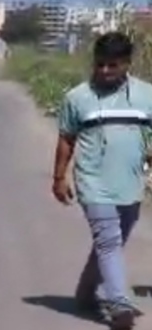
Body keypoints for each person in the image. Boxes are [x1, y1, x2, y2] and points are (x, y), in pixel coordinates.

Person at [54, 32, 152, 329]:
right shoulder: (77, 98)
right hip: (92, 182)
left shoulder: (146, 95)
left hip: (130, 183)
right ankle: (120, 305)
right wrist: (59, 177)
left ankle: (85, 293)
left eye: (113, 65)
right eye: (100, 64)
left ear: (127, 63)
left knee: (112, 241)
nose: (105, 71)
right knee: (109, 240)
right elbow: (66, 139)